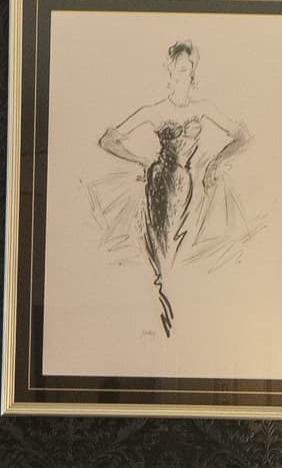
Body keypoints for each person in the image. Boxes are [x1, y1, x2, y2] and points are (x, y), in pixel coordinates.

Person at [94, 41, 253, 337]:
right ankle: (163, 320)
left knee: (183, 254)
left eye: (188, 69)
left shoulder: (203, 108)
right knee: (164, 254)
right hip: (160, 185)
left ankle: (177, 324)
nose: (184, 74)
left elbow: (243, 137)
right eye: (179, 68)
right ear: (169, 70)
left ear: (194, 73)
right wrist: (140, 160)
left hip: (189, 187)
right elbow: (107, 140)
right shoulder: (154, 110)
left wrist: (216, 163)